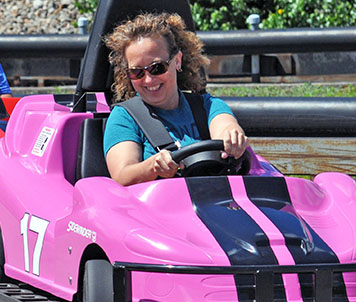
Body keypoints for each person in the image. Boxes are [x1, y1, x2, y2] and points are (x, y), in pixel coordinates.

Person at [102, 13, 249, 186]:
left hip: (211, 202)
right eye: (137, 72)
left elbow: (225, 126)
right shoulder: (124, 117)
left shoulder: (208, 106)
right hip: (155, 208)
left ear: (177, 61)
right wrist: (152, 167)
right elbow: (121, 175)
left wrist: (232, 138)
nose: (149, 80)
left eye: (157, 68)